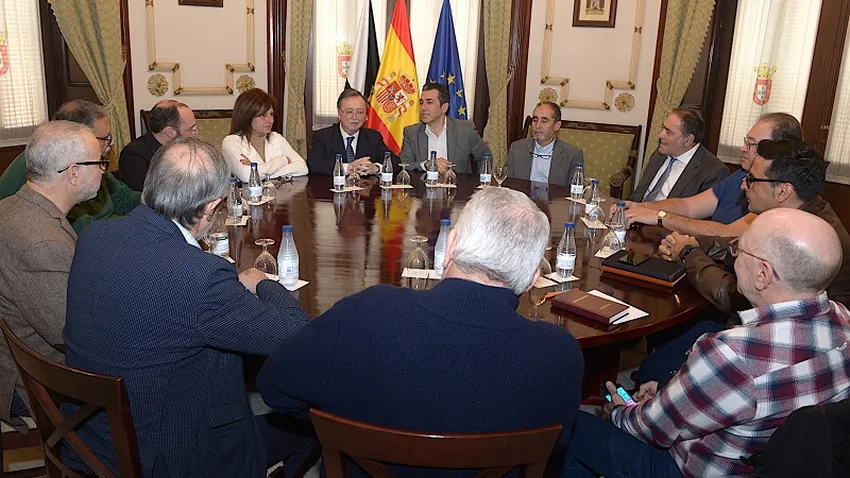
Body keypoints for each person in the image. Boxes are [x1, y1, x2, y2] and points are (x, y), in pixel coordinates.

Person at [257, 187, 584, 477]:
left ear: (450, 245)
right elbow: (557, 445)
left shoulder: (367, 313)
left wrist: (342, 419)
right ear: (533, 277)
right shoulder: (559, 355)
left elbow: (275, 388)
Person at [63, 137, 314, 477]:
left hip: (90, 439)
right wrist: (262, 282)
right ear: (211, 207)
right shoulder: (199, 276)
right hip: (168, 457)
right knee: (312, 424)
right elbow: (296, 334)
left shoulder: (95, 237)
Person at [564, 208, 850, 478]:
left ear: (763, 274)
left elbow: (650, 429)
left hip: (697, 468)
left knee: (573, 428)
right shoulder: (844, 320)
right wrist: (670, 390)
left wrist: (618, 411)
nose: (734, 257)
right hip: (780, 463)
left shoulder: (731, 353)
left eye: (738, 249)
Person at [640, 139, 850, 386]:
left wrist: (688, 253)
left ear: (782, 191)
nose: (743, 185)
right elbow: (738, 248)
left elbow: (732, 294)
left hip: (783, 346)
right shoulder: (797, 214)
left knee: (652, 368)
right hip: (777, 327)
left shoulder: (802, 238)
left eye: (751, 179)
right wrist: (695, 244)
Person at [0, 121, 102, 431]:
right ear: (74, 174)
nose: (104, 170)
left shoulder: (13, 206)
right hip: (35, 382)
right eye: (100, 162)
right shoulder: (41, 242)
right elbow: (72, 335)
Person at [618, 113, 802, 237]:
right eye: (746, 141)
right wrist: (641, 206)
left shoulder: (775, 192)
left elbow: (728, 232)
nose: (742, 148)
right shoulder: (739, 176)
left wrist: (660, 217)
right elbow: (689, 206)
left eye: (751, 144)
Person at [0, 100, 141, 233]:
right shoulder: (48, 169)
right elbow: (87, 230)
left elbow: (122, 196)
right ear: (77, 136)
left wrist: (152, 200)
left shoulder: (90, 159)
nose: (111, 143)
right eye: (105, 138)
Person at [629, 108, 728, 203]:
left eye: (668, 132)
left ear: (688, 140)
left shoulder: (713, 172)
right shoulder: (660, 154)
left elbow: (702, 212)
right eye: (663, 128)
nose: (660, 135)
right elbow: (638, 194)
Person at [399, 82, 490, 174]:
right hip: (423, 182)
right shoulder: (412, 133)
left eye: (429, 102)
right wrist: (426, 165)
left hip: (458, 182)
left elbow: (485, 157)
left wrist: (482, 180)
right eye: (421, 102)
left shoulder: (465, 130)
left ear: (444, 107)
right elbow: (404, 164)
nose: (423, 107)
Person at [221, 88, 308, 182]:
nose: (271, 120)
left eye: (271, 114)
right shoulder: (231, 142)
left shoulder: (276, 138)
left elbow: (302, 168)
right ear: (247, 116)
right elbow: (247, 176)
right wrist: (282, 161)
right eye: (263, 115)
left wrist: (259, 170)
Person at [308, 88, 399, 176]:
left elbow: (395, 162)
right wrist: (348, 168)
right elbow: (313, 164)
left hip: (365, 186)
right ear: (339, 113)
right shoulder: (323, 137)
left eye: (360, 112)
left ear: (365, 115)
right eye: (349, 112)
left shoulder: (373, 137)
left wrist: (376, 168)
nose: (354, 117)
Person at [119, 99, 198, 191]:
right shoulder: (133, 155)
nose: (196, 132)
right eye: (192, 129)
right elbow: (150, 193)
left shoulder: (188, 147)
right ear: (170, 132)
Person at [507, 101, 584, 186]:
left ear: (557, 126)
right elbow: (507, 184)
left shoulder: (572, 155)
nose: (537, 126)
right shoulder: (517, 148)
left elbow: (575, 190)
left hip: (554, 195)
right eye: (535, 120)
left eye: (544, 121)